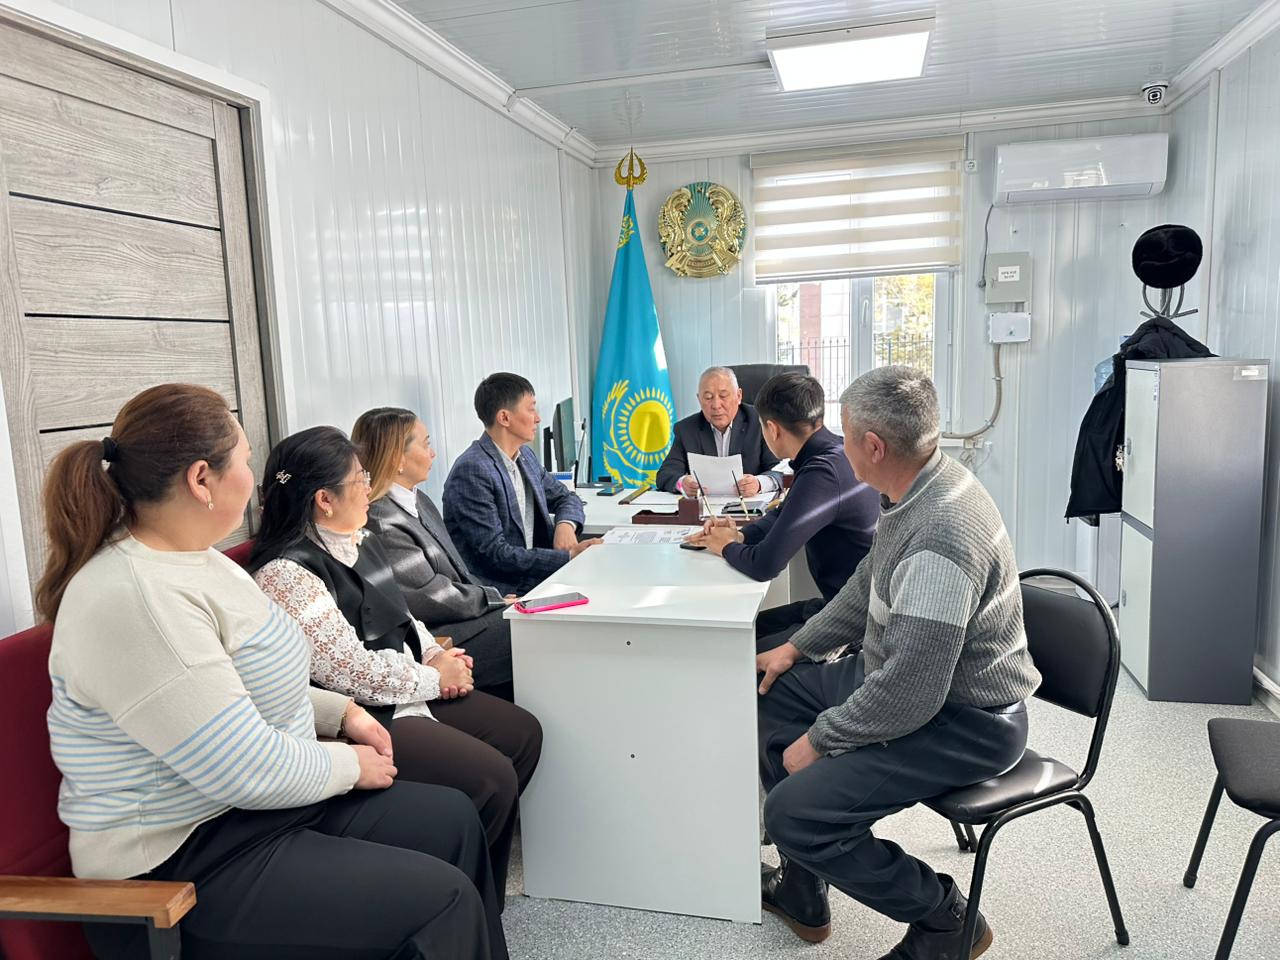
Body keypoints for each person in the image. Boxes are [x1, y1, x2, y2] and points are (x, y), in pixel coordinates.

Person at [40, 383, 505, 960]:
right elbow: (244, 767)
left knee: (453, 819)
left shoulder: (202, 563)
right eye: (245, 460)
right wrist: (348, 764)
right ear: (202, 479)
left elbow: (234, 688)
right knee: (441, 902)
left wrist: (340, 712)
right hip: (186, 864)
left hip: (260, 813)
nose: (257, 479)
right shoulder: (135, 597)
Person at [754, 366, 1041, 960]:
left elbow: (911, 693)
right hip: (904, 676)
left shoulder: (941, 535)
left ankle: (947, 920)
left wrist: (822, 740)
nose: (839, 443)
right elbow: (869, 582)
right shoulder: (915, 485)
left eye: (845, 433)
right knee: (771, 688)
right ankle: (805, 886)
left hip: (967, 718)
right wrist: (797, 646)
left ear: (874, 446)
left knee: (793, 814)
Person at [248, 427, 543, 909]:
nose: (370, 487)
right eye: (360, 479)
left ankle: (476, 882)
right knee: (491, 778)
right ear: (324, 499)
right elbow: (349, 672)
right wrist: (435, 678)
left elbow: (404, 616)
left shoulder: (359, 538)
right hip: (362, 715)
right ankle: (462, 898)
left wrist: (434, 655)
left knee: (522, 734)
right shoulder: (285, 574)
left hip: (408, 686)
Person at [684, 372, 879, 652]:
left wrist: (724, 547)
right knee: (737, 633)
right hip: (843, 606)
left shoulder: (822, 473)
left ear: (772, 430)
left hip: (852, 625)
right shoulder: (832, 451)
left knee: (732, 649)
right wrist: (740, 536)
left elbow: (764, 565)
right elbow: (785, 513)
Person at [354, 407, 517, 701]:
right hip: (437, 637)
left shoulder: (418, 500)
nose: (433, 453)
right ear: (397, 459)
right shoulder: (382, 520)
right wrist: (492, 598)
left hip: (463, 617)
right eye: (426, 444)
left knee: (535, 621)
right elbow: (429, 597)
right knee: (532, 632)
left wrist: (495, 599)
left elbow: (459, 574)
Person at [442, 373, 599, 597]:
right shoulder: (472, 471)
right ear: (505, 418)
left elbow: (566, 497)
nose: (538, 418)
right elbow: (496, 554)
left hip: (536, 578)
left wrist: (565, 525)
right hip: (506, 591)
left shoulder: (524, 456)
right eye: (531, 409)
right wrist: (567, 556)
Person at [655, 366, 783, 496]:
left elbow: (782, 470)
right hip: (706, 506)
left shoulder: (760, 422)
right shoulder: (686, 429)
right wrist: (682, 483)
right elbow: (665, 474)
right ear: (699, 399)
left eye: (723, 396)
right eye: (708, 397)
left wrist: (759, 483)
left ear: (738, 396)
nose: (716, 405)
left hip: (750, 505)